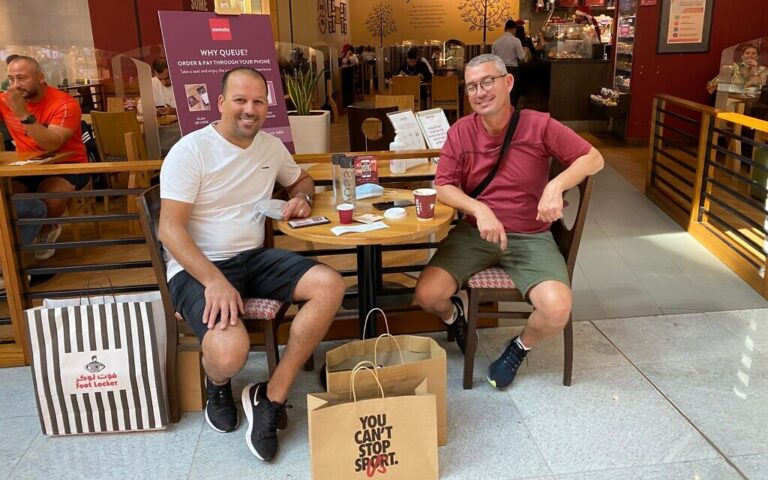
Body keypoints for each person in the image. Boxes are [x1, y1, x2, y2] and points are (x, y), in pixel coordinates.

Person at [159, 67, 344, 461]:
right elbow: (170, 230)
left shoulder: (270, 147)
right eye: (240, 100)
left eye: (258, 101)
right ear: (221, 102)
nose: (250, 109)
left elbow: (302, 180)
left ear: (268, 106)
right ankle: (218, 382)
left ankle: (271, 396)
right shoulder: (190, 150)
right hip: (198, 265)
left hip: (254, 258)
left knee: (330, 285)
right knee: (230, 352)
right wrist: (214, 280)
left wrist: (304, 199)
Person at [414, 54, 604, 390]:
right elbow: (442, 185)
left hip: (531, 237)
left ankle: (518, 347)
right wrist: (479, 209)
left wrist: (555, 185)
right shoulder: (461, 132)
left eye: (488, 81)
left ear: (508, 83)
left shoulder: (538, 125)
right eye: (472, 86)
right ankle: (456, 318)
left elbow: (594, 158)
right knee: (427, 295)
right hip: (475, 234)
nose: (480, 91)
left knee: (557, 309)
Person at [0, 55, 91, 260]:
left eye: (22, 78)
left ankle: (45, 229)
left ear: (40, 77)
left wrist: (24, 115)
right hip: (27, 166)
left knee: (50, 196)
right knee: (5, 197)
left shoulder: (64, 103)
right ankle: (14, 249)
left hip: (69, 165)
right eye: (11, 79)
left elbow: (52, 143)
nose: (15, 85)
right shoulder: (7, 100)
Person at [492, 20, 528, 106]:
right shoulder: (516, 41)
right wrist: (526, 51)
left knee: (501, 93)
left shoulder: (496, 42)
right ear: (513, 29)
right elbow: (521, 57)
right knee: (512, 94)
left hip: (500, 71)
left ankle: (500, 112)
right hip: (512, 70)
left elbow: (493, 59)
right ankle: (511, 114)